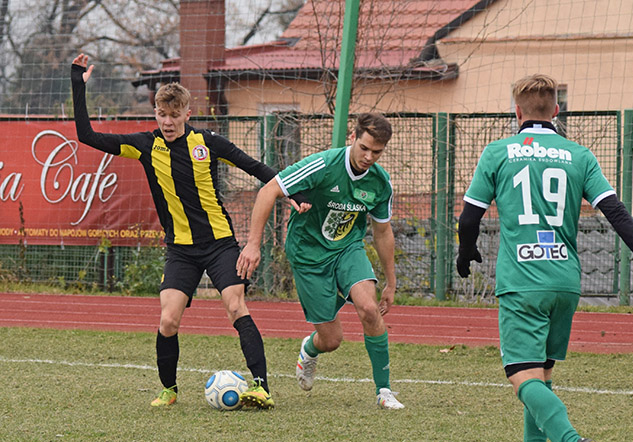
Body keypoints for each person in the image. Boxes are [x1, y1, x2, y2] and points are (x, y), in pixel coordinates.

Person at [456, 74, 633, 442]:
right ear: (557, 111)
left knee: (521, 377)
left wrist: (466, 253)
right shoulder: (578, 155)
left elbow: (468, 219)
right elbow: (616, 212)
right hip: (564, 282)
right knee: (542, 374)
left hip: (522, 283)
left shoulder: (498, 152)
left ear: (516, 112)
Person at [70, 54, 310, 409]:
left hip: (219, 245)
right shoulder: (144, 146)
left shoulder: (208, 142)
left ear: (187, 113)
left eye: (173, 115)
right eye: (161, 115)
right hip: (180, 249)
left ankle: (261, 387)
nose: (167, 122)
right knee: (168, 319)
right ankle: (169, 390)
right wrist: (78, 85)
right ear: (155, 113)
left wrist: (292, 192)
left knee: (235, 305)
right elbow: (86, 135)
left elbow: (255, 166)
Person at [236, 112, 404, 410]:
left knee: (368, 308)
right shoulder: (323, 164)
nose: (368, 157)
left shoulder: (380, 184)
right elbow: (268, 190)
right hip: (308, 254)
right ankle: (310, 349)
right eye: (364, 148)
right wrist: (252, 244)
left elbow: (382, 232)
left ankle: (384, 391)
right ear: (352, 138)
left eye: (376, 152)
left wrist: (391, 282)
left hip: (347, 249)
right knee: (332, 339)